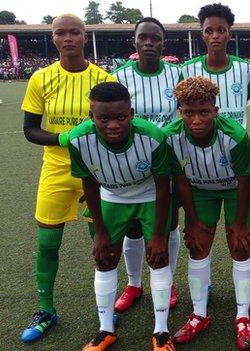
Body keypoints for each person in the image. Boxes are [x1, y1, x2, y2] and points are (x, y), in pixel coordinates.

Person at [19, 14, 115, 343]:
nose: (68, 37)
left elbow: (114, 125)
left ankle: (106, 308)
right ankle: (46, 309)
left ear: (85, 37)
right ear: (54, 38)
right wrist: (64, 139)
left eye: (75, 32)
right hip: (56, 170)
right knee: (47, 243)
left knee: (101, 241)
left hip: (96, 170)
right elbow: (30, 130)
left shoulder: (104, 78)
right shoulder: (41, 79)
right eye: (61, 33)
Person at [64, 82, 175, 351]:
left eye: (120, 117)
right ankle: (105, 330)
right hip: (111, 196)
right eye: (104, 118)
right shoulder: (78, 139)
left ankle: (161, 331)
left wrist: (159, 234)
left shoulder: (153, 137)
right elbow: (89, 184)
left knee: (158, 258)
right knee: (104, 258)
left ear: (131, 113)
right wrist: (100, 232)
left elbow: (163, 186)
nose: (113, 125)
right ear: (91, 117)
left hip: (149, 194)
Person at [180, 1, 250, 305]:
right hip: (198, 169)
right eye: (209, 31)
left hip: (235, 165)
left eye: (221, 30)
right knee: (200, 237)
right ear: (202, 35)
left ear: (230, 34)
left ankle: (246, 284)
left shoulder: (245, 69)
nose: (215, 35)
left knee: (239, 236)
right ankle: (206, 285)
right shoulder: (186, 70)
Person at [165, 76, 250, 350]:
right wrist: (193, 221)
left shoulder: (235, 136)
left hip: (236, 189)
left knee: (240, 246)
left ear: (215, 111)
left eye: (204, 112)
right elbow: (180, 179)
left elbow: (243, 180)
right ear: (179, 112)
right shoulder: (171, 136)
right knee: (198, 245)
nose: (196, 120)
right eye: (189, 113)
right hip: (200, 189)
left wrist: (240, 223)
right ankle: (199, 314)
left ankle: (243, 317)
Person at [111, 16, 182, 313]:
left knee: (169, 223)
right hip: (131, 165)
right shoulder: (120, 77)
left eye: (155, 38)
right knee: (134, 228)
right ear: (135, 42)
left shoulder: (178, 74)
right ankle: (134, 284)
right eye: (144, 38)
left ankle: (170, 280)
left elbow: (184, 114)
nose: (149, 43)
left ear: (163, 43)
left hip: (168, 163)